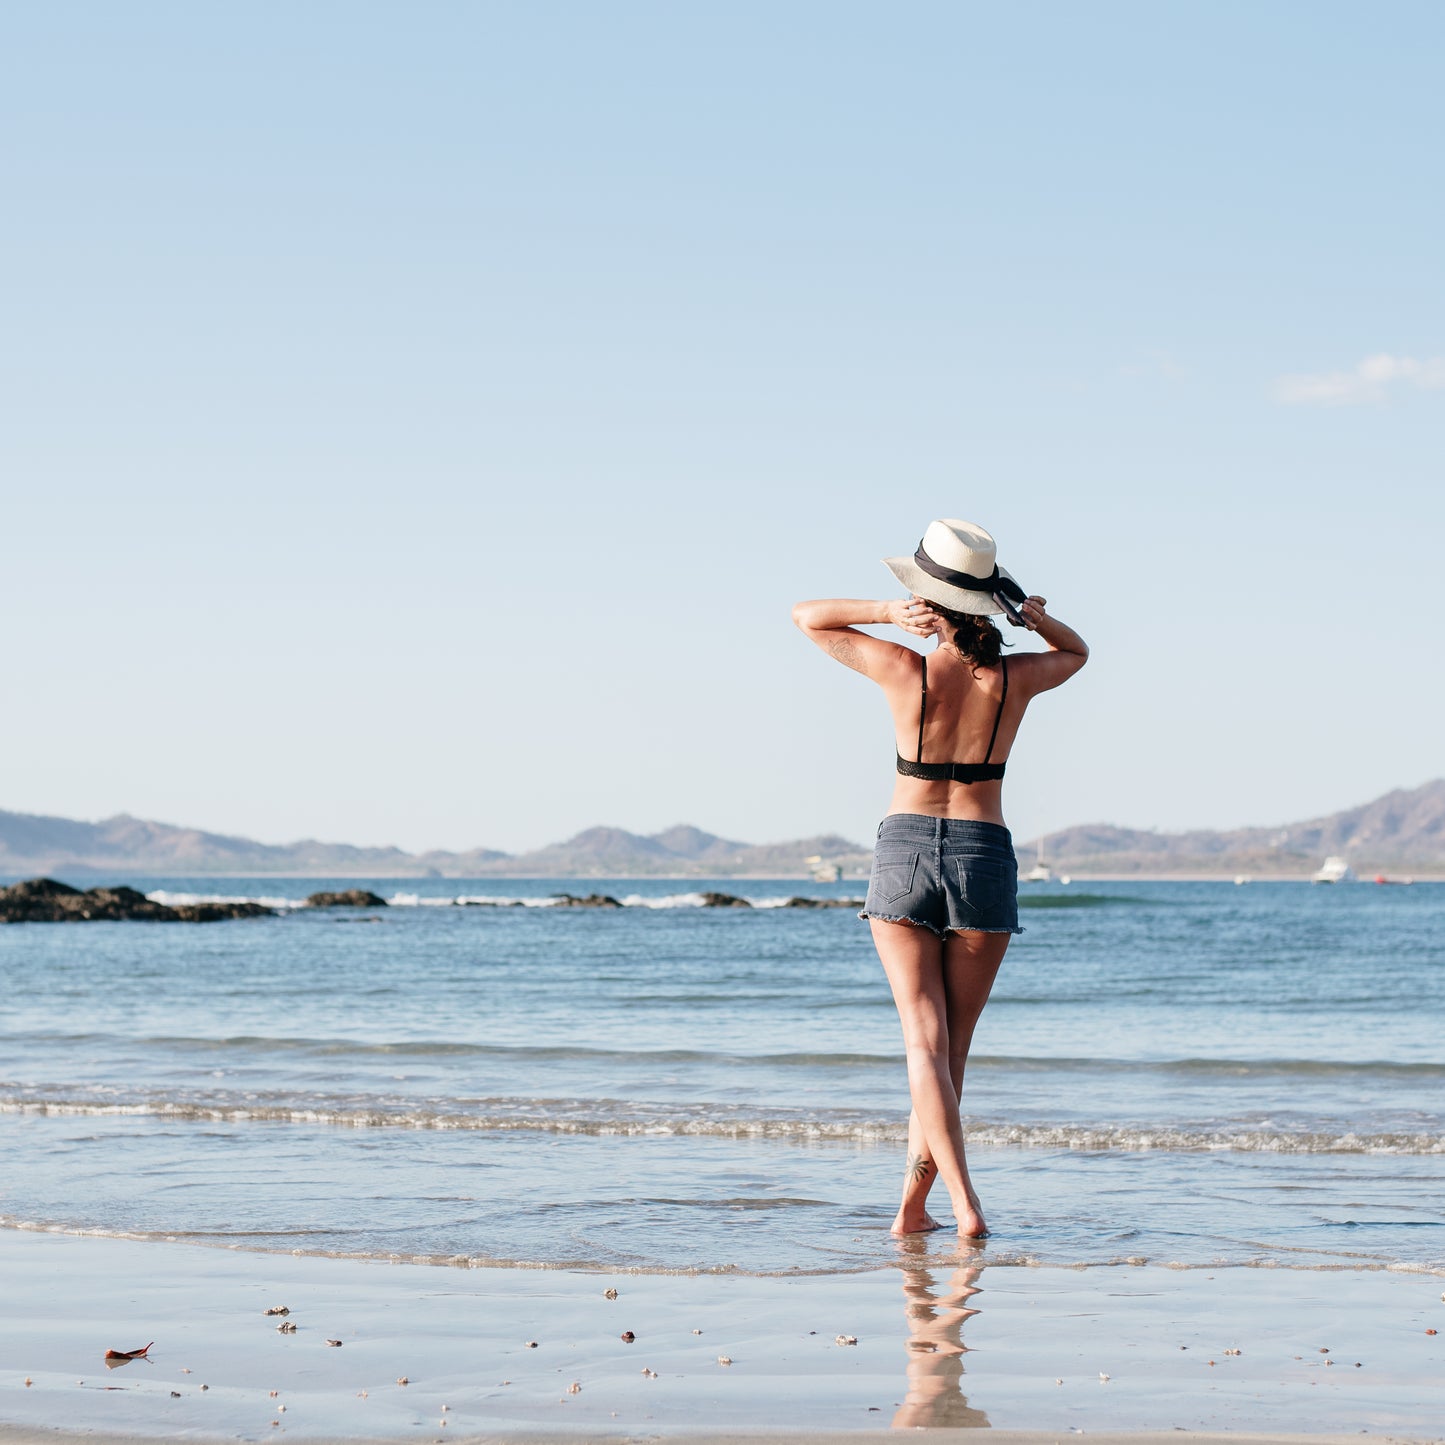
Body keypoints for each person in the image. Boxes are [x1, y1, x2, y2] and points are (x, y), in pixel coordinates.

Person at [793, 519, 1088, 1242]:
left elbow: (806, 616)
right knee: (949, 1055)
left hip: (904, 850)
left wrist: (884, 612)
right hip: (982, 851)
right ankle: (916, 1207)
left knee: (922, 1047)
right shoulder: (1012, 678)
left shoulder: (902, 667)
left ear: (927, 597)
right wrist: (1035, 615)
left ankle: (955, 1205)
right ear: (989, 602)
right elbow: (1076, 652)